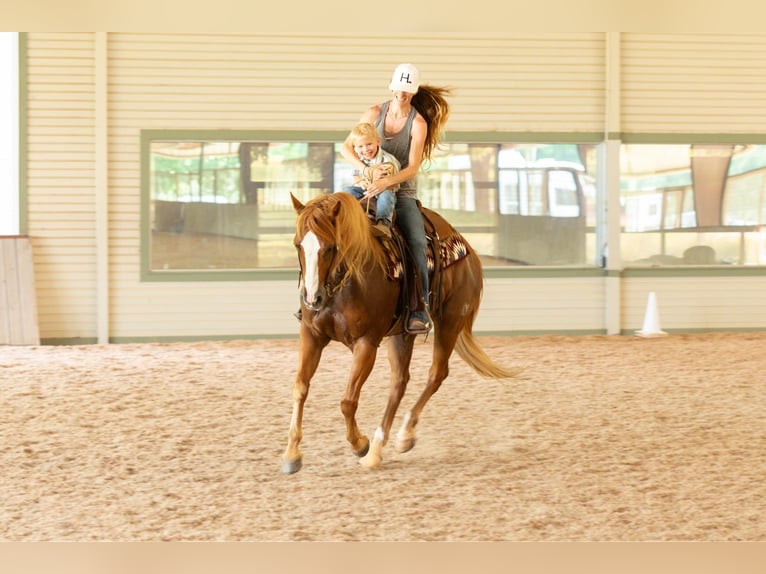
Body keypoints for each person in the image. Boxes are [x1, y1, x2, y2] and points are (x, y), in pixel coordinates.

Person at [341, 63, 451, 334]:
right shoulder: (374, 112)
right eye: (399, 88)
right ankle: (318, 295)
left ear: (412, 93)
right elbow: (346, 146)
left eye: (407, 90)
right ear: (392, 86)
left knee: (415, 241)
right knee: (333, 222)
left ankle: (420, 307)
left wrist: (385, 183)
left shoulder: (418, 123)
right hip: (366, 184)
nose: (402, 94)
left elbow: (412, 167)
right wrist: (367, 172)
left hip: (401, 192)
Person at [338, 122, 400, 233]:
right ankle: (340, 215)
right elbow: (356, 175)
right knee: (347, 191)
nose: (365, 149)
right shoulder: (360, 160)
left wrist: (381, 183)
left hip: (382, 190)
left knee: (386, 197)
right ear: (355, 147)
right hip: (365, 189)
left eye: (369, 144)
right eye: (360, 146)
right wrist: (361, 182)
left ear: (378, 141)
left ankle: (383, 222)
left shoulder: (388, 159)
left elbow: (395, 181)